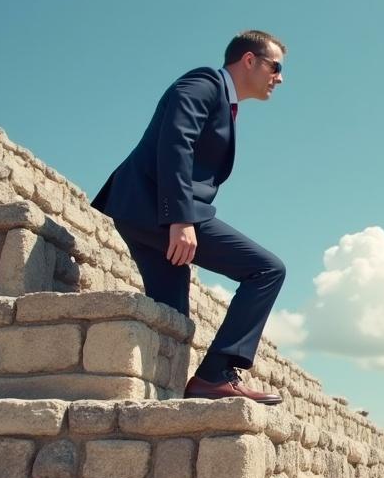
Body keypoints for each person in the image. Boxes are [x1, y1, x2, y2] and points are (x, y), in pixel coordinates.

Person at [92, 30, 288, 405]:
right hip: (155, 210)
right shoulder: (205, 83)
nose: (279, 78)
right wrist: (180, 219)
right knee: (266, 270)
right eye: (275, 67)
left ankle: (161, 396)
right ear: (250, 60)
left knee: (172, 320)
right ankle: (216, 374)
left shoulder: (227, 105)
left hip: (142, 209)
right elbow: (175, 142)